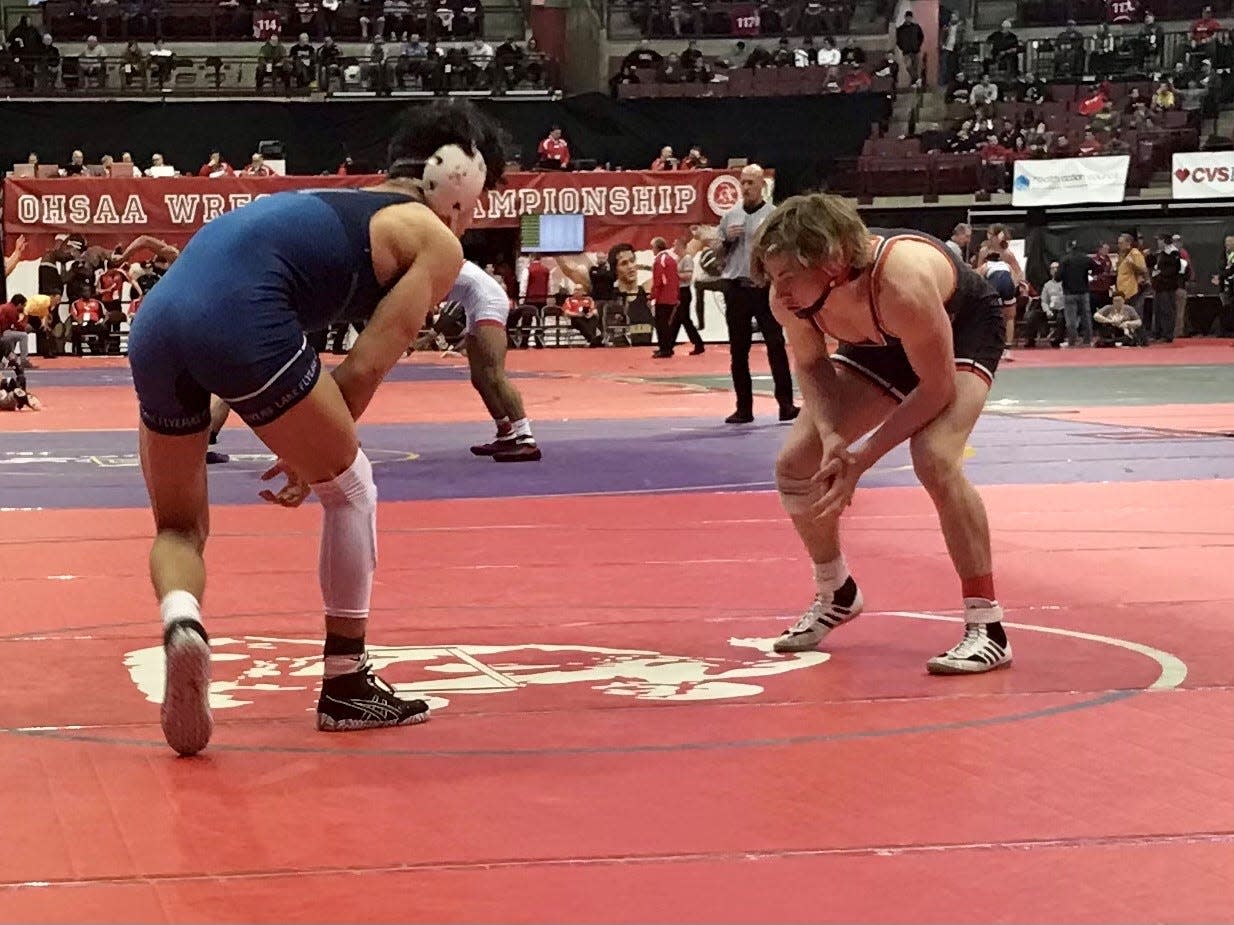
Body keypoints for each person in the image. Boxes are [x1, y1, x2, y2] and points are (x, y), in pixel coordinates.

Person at [125, 100, 506, 756]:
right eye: (482, 197)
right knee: (351, 486)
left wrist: (295, 432)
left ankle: (182, 622)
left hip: (158, 320)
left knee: (179, 526)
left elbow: (232, 317)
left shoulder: (333, 202)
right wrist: (314, 462)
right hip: (240, 316)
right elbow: (363, 367)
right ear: (460, 179)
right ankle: (346, 684)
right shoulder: (433, 240)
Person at [752, 194, 1011, 674]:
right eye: (772, 275)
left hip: (959, 324)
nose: (778, 289)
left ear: (830, 260)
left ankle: (987, 624)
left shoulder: (901, 280)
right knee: (796, 467)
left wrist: (861, 457)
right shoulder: (791, 300)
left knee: (934, 456)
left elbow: (936, 388)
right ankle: (836, 591)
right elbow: (810, 365)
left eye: (788, 274)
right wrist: (832, 437)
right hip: (882, 339)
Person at [717, 164, 798, 424]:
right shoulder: (730, 216)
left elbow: (785, 251)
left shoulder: (774, 216)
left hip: (763, 288)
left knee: (776, 345)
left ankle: (786, 404)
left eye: (751, 183)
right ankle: (744, 408)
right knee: (738, 351)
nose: (745, 188)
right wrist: (726, 241)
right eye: (743, 182)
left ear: (762, 185)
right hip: (736, 288)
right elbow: (716, 257)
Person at [448, 261, 541, 462]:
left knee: (495, 374)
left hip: (489, 301)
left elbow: (432, 308)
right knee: (479, 378)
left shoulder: (431, 258)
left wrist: (426, 337)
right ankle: (506, 433)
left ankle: (526, 440)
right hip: (472, 304)